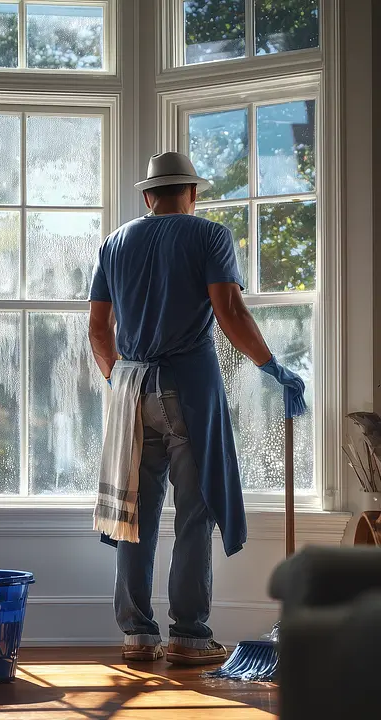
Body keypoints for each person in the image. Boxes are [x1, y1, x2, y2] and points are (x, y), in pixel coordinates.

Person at [87, 151, 305, 666]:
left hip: (134, 391)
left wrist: (120, 382)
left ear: (148, 196)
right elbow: (228, 310)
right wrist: (272, 366)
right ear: (192, 193)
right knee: (195, 511)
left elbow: (99, 331)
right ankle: (188, 635)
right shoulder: (208, 236)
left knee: (134, 516)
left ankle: (137, 634)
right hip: (189, 389)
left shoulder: (115, 243)